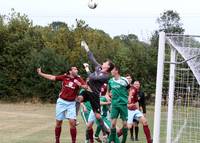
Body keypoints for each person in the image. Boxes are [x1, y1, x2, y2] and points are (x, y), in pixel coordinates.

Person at [77, 41, 115, 143]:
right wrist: (86, 47)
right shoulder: (98, 67)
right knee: (78, 99)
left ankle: (106, 132)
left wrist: (88, 70)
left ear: (107, 67)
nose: (103, 63)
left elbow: (92, 77)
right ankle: (73, 117)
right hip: (87, 90)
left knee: (98, 116)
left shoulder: (106, 76)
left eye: (105, 63)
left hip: (94, 94)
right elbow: (92, 58)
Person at [37, 66, 87, 143]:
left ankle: (73, 141)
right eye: (75, 69)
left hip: (71, 103)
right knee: (59, 122)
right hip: (61, 102)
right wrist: (41, 73)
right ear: (70, 71)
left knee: (73, 123)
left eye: (77, 69)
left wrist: (80, 84)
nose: (77, 70)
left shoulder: (78, 78)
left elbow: (86, 87)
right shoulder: (64, 77)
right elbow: (52, 77)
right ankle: (57, 141)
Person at [107, 66, 130, 143]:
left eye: (112, 70)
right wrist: (109, 96)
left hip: (123, 104)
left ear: (116, 71)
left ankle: (123, 141)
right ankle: (111, 140)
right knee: (113, 124)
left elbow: (129, 89)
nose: (111, 71)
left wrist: (129, 97)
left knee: (125, 124)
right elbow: (108, 92)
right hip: (114, 105)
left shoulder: (124, 80)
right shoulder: (110, 81)